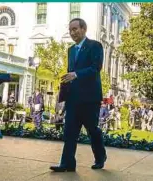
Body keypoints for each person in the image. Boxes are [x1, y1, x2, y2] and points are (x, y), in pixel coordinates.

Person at [50, 18, 106, 172]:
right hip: (73, 99)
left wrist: (76, 74)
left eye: (75, 29)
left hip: (90, 99)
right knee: (69, 132)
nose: (72, 33)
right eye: (70, 30)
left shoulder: (95, 46)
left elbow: (96, 68)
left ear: (84, 29)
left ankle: (100, 157)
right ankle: (67, 163)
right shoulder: (71, 50)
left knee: (92, 130)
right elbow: (70, 72)